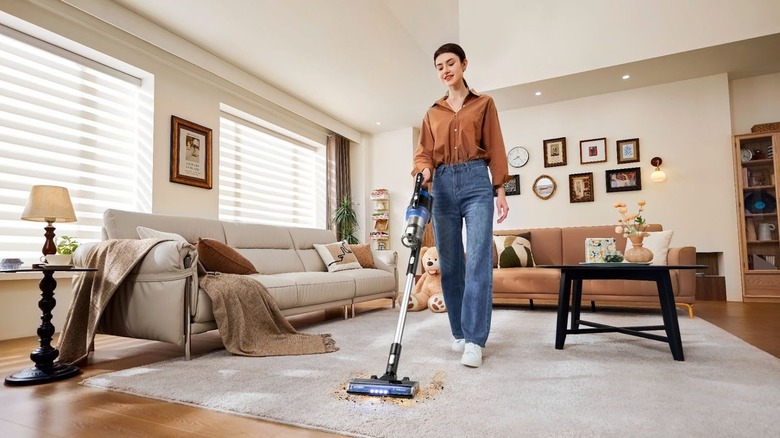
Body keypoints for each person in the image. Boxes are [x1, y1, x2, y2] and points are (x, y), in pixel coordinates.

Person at [411, 43, 510, 368]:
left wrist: (500, 190)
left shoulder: (483, 104)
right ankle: (459, 333)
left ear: (464, 64)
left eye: (450, 63)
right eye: (439, 66)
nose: (445, 70)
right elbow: (424, 151)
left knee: (479, 260)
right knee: (450, 264)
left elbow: (495, 145)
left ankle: (475, 340)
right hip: (441, 184)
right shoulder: (432, 113)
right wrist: (423, 169)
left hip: (475, 182)